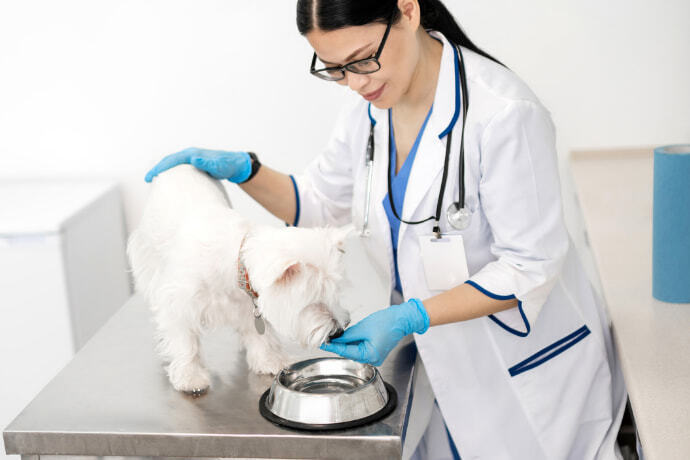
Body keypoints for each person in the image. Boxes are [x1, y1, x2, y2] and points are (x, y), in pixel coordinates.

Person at [144, 1, 626, 458]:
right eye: (333, 69)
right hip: (438, 368)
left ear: (409, 10)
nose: (352, 83)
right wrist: (246, 170)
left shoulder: (505, 114)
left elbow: (529, 267)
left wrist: (410, 317)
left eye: (360, 60)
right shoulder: (369, 105)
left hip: (523, 375)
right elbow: (318, 202)